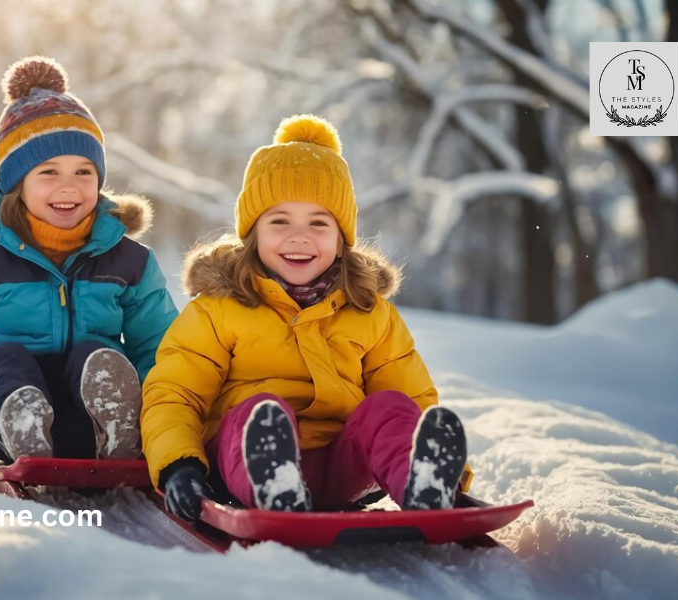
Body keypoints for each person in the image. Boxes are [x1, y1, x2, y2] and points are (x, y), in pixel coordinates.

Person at [141, 114, 473, 521]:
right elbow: (175, 393)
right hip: (240, 463)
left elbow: (414, 398)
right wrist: (179, 464)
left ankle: (425, 483)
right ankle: (274, 483)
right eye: (280, 221)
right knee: (255, 411)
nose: (299, 237)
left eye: (319, 223)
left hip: (341, 468)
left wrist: (453, 474)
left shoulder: (370, 312)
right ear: (253, 233)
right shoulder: (217, 308)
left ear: (341, 239)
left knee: (389, 406)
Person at [0, 56, 178, 463]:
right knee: (6, 360)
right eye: (48, 172)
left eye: (84, 172)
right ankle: (22, 420)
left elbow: (160, 348)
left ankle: (116, 425)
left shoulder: (129, 263)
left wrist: (166, 416)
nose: (69, 187)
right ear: (16, 184)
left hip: (85, 422)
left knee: (97, 358)